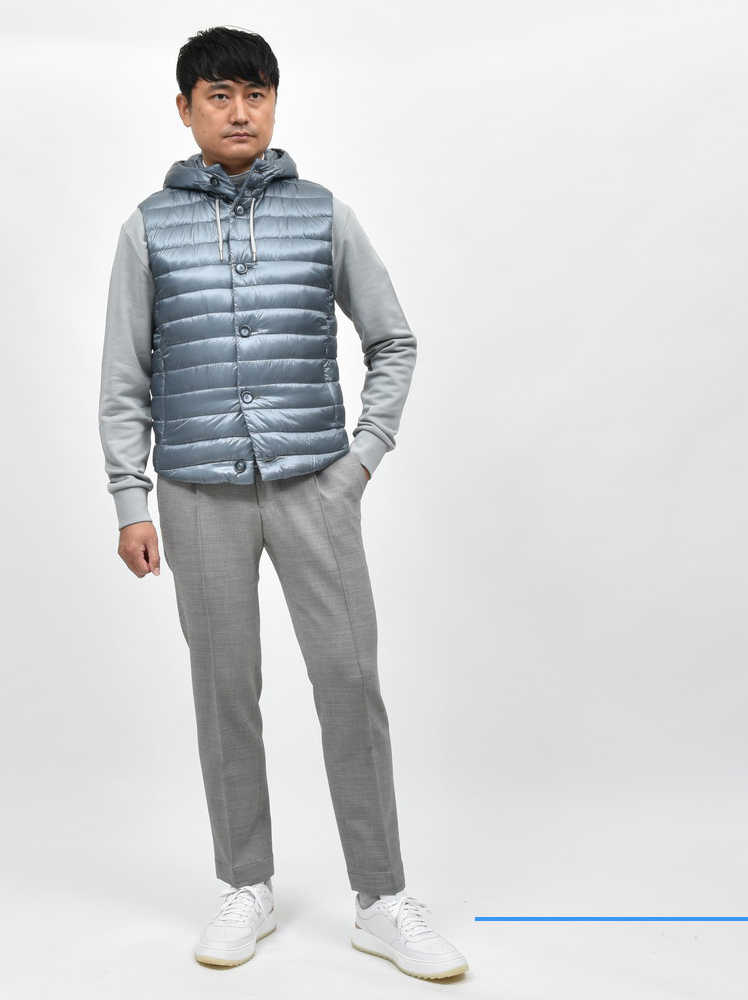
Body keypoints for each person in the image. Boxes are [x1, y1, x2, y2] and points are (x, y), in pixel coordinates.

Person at [98, 25, 469, 980]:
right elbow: (125, 377)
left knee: (349, 681)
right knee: (224, 689)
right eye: (219, 95)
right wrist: (131, 498)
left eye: (255, 94)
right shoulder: (148, 228)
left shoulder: (323, 215)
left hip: (315, 488)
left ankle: (382, 899)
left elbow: (393, 341)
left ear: (274, 103)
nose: (240, 112)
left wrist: (360, 461)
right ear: (185, 109)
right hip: (195, 493)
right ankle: (245, 885)